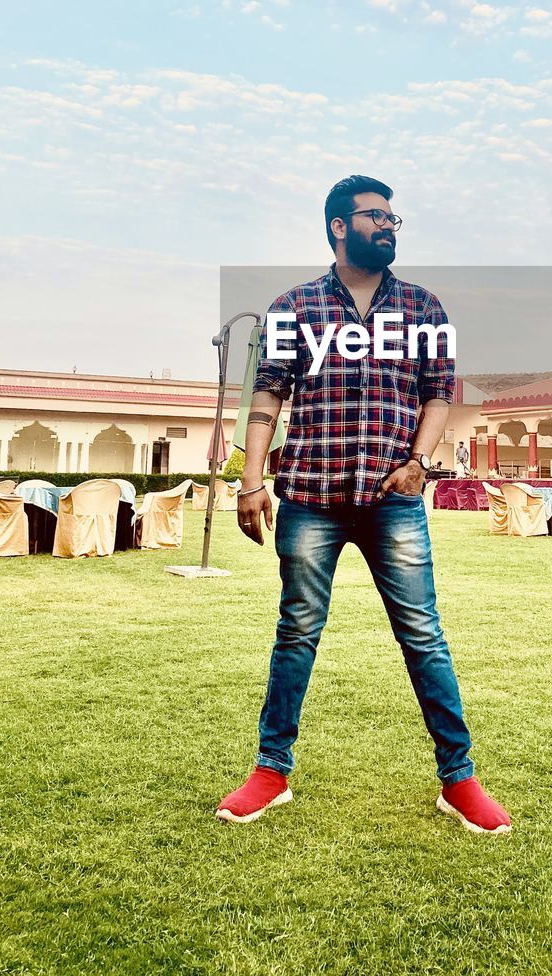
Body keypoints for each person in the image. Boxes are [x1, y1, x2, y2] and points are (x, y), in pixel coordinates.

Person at [216, 175, 511, 835]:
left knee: (423, 636)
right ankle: (271, 771)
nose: (389, 226)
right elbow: (268, 395)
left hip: (391, 499)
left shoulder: (424, 308)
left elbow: (438, 393)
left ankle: (459, 779)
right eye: (376, 216)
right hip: (310, 498)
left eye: (393, 218)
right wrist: (250, 480)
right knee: (296, 633)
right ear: (338, 226)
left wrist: (418, 463)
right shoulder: (294, 305)